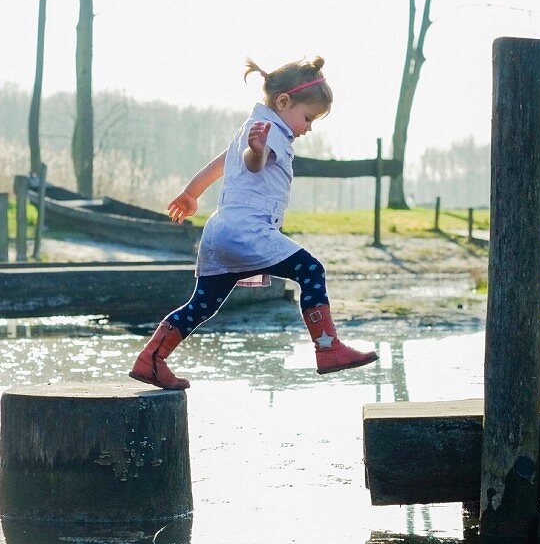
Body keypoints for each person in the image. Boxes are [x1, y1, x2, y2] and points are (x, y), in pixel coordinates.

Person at [129, 56, 378, 389]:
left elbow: (222, 163)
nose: (308, 128)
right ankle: (328, 349)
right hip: (248, 233)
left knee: (202, 305)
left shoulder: (252, 127)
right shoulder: (267, 131)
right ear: (283, 101)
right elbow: (252, 163)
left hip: (221, 233)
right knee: (312, 271)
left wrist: (191, 193)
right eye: (307, 118)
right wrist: (257, 151)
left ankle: (151, 360)